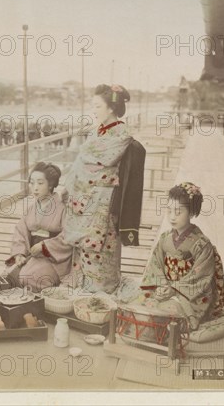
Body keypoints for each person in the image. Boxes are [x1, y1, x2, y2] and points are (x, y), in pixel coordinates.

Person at [60, 84, 134, 294]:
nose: (93, 110)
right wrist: (68, 184)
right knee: (83, 245)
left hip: (102, 197)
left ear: (111, 108)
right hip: (86, 195)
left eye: (97, 106)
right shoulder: (97, 131)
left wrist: (84, 158)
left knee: (101, 243)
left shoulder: (122, 133)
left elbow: (101, 159)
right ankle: (84, 289)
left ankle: (103, 290)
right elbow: (81, 161)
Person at [137, 182, 224, 330]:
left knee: (169, 316)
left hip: (190, 294)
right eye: (169, 211)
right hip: (166, 286)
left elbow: (200, 277)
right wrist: (162, 285)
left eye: (178, 212)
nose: (172, 217)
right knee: (143, 303)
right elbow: (156, 265)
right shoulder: (165, 238)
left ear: (191, 212)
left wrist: (174, 289)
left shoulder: (201, 243)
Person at [3, 162, 73, 292]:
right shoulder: (31, 208)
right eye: (32, 183)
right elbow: (20, 231)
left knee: (29, 278)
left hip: (53, 258)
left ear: (51, 184)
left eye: (40, 183)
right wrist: (19, 253)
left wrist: (44, 246)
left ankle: (38, 304)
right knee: (8, 275)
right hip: (32, 254)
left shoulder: (62, 209)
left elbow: (69, 236)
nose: (35, 188)